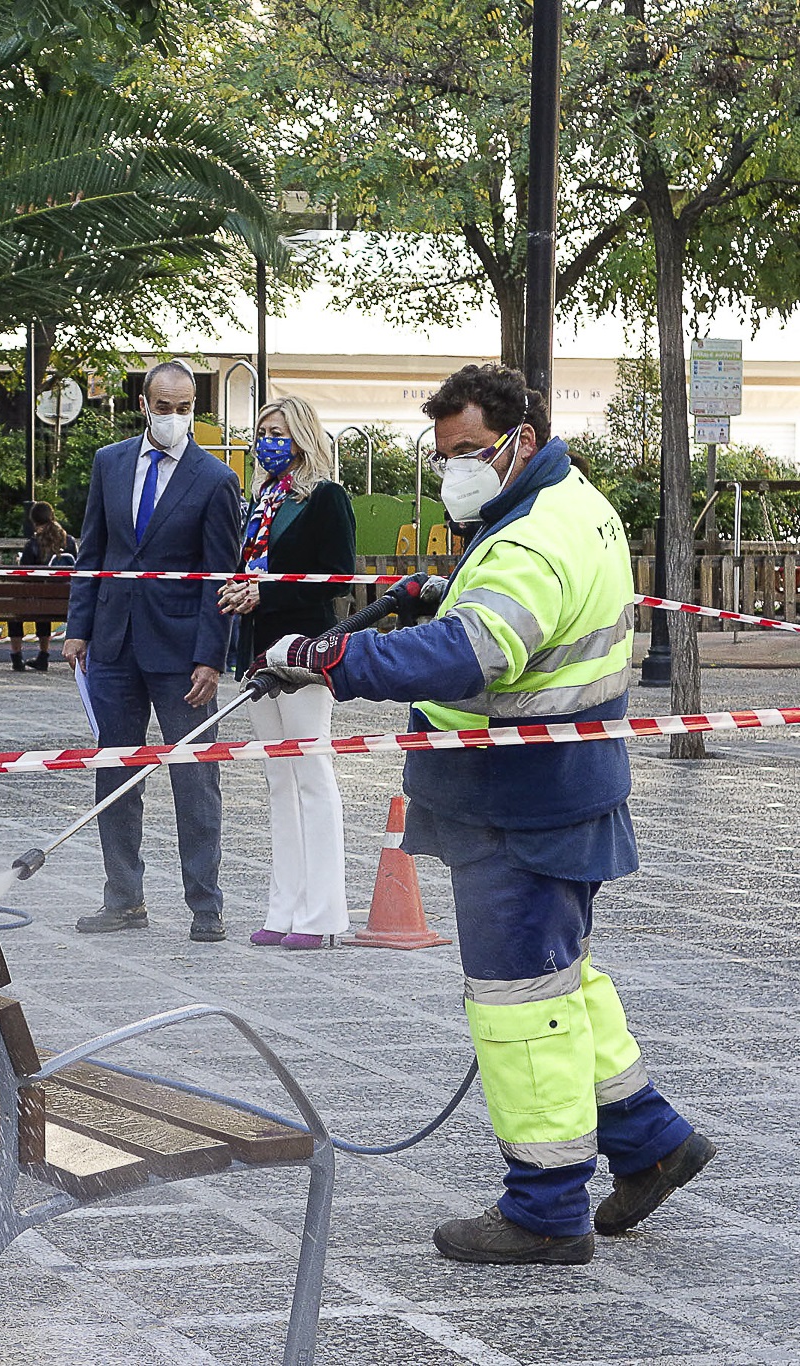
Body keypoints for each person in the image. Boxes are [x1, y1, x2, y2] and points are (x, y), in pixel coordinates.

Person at [250, 363, 714, 1264]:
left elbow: (475, 655)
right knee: (564, 981)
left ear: (520, 444)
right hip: (560, 789)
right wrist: (437, 590)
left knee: (518, 1007)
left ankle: (545, 1210)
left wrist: (327, 657)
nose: (453, 468)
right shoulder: (570, 504)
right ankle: (653, 1143)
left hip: (521, 805)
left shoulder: (532, 538)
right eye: (444, 456)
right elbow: (512, 618)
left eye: (467, 452)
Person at [64, 360, 242, 942]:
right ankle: (124, 898)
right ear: (144, 405)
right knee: (115, 772)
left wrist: (211, 658)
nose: (173, 417)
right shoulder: (109, 463)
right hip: (114, 644)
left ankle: (205, 906)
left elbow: (223, 575)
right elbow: (93, 550)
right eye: (163, 407)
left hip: (182, 650)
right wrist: (78, 627)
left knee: (194, 778)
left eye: (184, 407)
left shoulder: (214, 478)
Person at [217, 397, 356, 949]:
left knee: (312, 773)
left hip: (304, 647)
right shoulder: (261, 500)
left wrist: (265, 590)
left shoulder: (326, 498)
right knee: (278, 779)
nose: (268, 440)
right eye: (262, 431)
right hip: (256, 646)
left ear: (302, 436)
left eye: (278, 431)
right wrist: (241, 590)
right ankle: (284, 909)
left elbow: (338, 577)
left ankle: (322, 916)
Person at [7, 501, 77, 673]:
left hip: (39, 602)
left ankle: (17, 657)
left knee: (16, 605)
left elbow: (24, 577)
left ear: (34, 521)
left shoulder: (33, 544)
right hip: (66, 602)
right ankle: (43, 655)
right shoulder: (69, 541)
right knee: (44, 603)